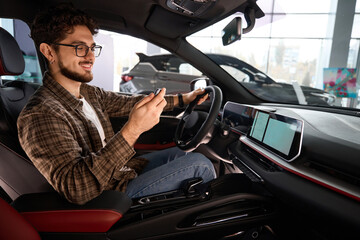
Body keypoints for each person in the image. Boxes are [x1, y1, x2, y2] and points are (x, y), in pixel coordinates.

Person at [17, 3, 216, 205]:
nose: (90, 56)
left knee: (183, 154)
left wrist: (185, 99)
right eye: (80, 48)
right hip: (108, 199)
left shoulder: (87, 92)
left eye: (92, 48)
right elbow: (77, 189)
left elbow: (130, 102)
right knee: (200, 165)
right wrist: (133, 129)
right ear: (49, 52)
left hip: (121, 173)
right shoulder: (41, 114)